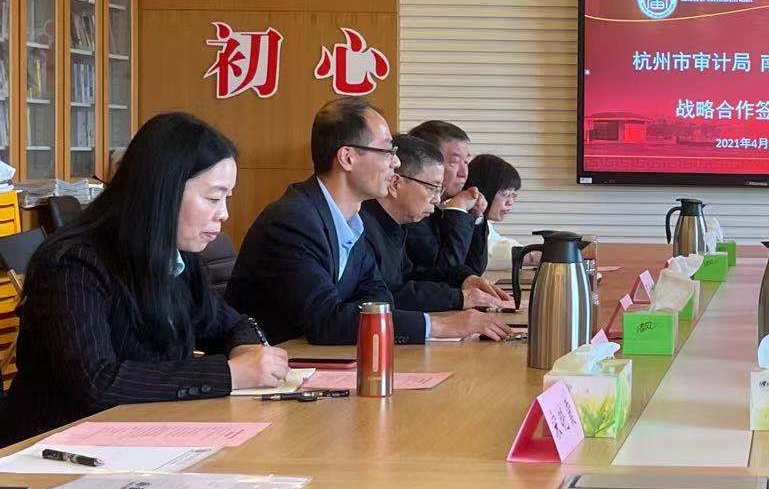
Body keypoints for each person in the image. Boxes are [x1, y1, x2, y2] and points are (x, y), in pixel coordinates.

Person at [0, 113, 290, 444]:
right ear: (163, 191)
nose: (224, 213)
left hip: (145, 438)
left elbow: (231, 324)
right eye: (213, 197)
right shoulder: (73, 264)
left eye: (227, 198)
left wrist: (248, 351)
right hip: (53, 448)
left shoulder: (176, 258)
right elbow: (97, 381)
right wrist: (230, 374)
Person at [228, 100, 512, 345]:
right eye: (387, 151)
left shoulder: (351, 220)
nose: (396, 163)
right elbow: (326, 321)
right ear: (348, 158)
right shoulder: (293, 222)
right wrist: (438, 326)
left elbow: (380, 299)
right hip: (276, 371)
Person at [360, 135, 512, 316]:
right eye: (432, 188)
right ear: (395, 184)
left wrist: (463, 279)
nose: (437, 199)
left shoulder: (393, 225)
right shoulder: (363, 227)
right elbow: (386, 296)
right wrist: (461, 298)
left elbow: (413, 276)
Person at [405, 120, 486, 279]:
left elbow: (474, 270)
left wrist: (476, 216)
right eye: (454, 162)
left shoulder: (440, 207)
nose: (464, 173)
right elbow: (446, 275)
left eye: (466, 162)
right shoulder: (411, 212)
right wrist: (458, 210)